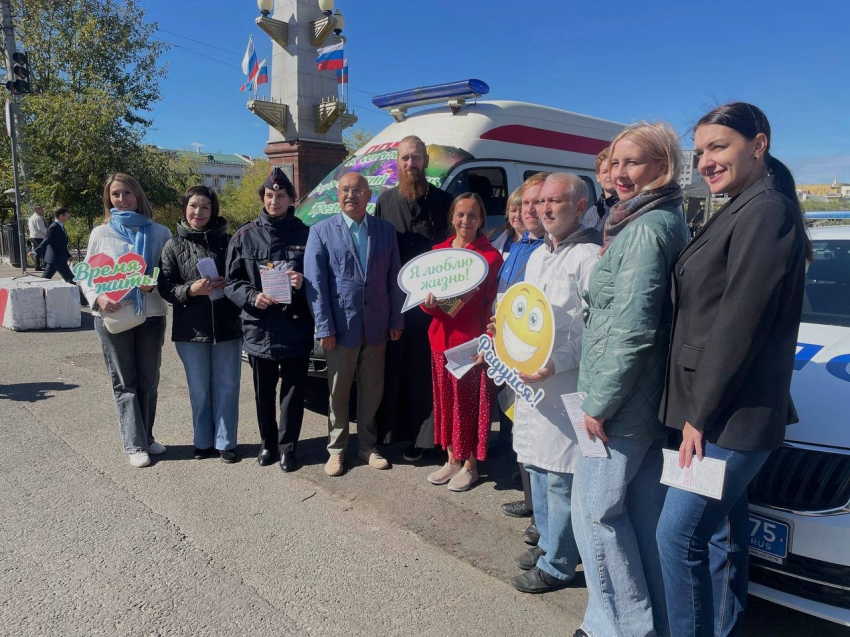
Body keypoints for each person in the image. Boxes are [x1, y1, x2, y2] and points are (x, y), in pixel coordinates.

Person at [656, 103, 810, 637]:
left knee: (677, 539)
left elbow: (738, 325)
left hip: (729, 416)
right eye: (699, 152)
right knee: (718, 535)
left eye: (718, 147)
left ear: (758, 144)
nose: (705, 162)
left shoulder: (765, 211)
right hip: (717, 410)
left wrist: (698, 416)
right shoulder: (743, 205)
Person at [572, 122, 690, 637]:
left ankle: (620, 629)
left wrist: (597, 403)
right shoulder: (647, 220)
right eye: (615, 162)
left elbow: (633, 328)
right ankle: (642, 624)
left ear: (661, 167)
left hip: (620, 403)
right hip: (636, 401)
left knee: (597, 518)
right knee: (640, 521)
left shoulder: (644, 229)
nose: (619, 173)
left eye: (633, 162)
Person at [506, 173, 602, 594]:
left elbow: (594, 329)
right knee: (538, 468)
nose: (543, 209)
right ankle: (549, 543)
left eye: (554, 202)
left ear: (579, 206)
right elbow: (529, 317)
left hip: (565, 385)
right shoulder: (538, 255)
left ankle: (560, 564)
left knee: (562, 475)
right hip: (533, 385)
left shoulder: (589, 257)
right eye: (540, 202)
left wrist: (557, 361)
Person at [305, 172, 405, 477]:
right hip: (340, 327)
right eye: (346, 190)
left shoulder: (385, 231)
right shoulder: (321, 231)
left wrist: (396, 318)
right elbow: (315, 283)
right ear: (338, 195)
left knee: (373, 390)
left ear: (368, 194)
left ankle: (367, 446)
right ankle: (336, 450)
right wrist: (324, 327)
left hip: (377, 326)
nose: (352, 195)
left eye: (358, 190)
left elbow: (395, 278)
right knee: (338, 392)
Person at [79, 174, 172, 468]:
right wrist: (97, 298)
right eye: (116, 195)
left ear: (138, 195)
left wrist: (153, 284)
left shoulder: (159, 232)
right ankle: (134, 443)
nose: (122, 199)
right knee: (125, 381)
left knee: (149, 380)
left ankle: (147, 436)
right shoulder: (100, 233)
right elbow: (87, 275)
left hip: (151, 314)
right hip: (113, 315)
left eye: (127, 193)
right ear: (109, 199)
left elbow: (168, 271)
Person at [225, 167, 313, 473]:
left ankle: (289, 448)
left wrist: (303, 282)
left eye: (281, 196)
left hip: (295, 326)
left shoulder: (306, 234)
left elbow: (320, 280)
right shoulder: (244, 236)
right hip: (259, 327)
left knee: (293, 393)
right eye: (269, 195)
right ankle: (268, 443)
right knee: (264, 392)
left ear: (292, 199)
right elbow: (231, 282)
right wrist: (251, 296)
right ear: (263, 197)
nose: (274, 201)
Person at [374, 135, 454, 461]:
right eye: (405, 158)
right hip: (397, 305)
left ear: (425, 162)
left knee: (427, 374)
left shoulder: (445, 201)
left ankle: (427, 440)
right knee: (397, 372)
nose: (411, 164)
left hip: (434, 306)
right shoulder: (384, 202)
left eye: (416, 157)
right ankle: (397, 435)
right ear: (397, 163)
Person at [421, 193, 502, 492]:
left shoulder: (491, 257)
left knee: (469, 406)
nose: (465, 221)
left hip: (470, 344)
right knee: (447, 403)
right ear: (452, 218)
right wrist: (429, 304)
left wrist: (489, 341)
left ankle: (471, 465)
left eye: (472, 215)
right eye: (460, 215)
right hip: (441, 341)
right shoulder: (437, 254)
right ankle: (452, 458)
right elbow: (425, 302)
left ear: (481, 220)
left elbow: (495, 306)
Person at [159, 186, 243, 463]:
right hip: (190, 330)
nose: (198, 212)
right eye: (193, 206)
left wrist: (228, 284)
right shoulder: (173, 245)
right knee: (199, 389)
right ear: (185, 208)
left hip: (227, 327)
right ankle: (203, 442)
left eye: (205, 207)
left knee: (228, 386)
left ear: (213, 210)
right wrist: (192, 291)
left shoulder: (230, 242)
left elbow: (244, 279)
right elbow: (166, 287)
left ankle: (226, 442)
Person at [497, 173, 548, 536]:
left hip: (532, 352)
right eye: (519, 205)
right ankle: (531, 501)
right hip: (508, 345)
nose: (525, 212)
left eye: (532, 204)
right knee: (519, 427)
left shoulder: (544, 248)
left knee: (536, 434)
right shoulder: (519, 245)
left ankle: (541, 518)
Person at [579, 146, 619, 232]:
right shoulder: (590, 213)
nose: (609, 176)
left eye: (612, 171)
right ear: (598, 177)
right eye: (605, 172)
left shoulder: (628, 208)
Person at [35, 207, 74, 283]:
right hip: (58, 259)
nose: (67, 216)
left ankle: (38, 292)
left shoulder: (60, 226)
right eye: (66, 215)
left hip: (55, 259)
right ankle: (79, 294)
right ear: (61, 216)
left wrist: (68, 255)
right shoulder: (54, 227)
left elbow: (60, 244)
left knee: (44, 279)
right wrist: (36, 251)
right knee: (70, 279)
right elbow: (47, 240)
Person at [488, 187, 525, 257]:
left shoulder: (538, 243)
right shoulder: (501, 242)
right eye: (513, 211)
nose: (517, 215)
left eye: (522, 210)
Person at [28, 205, 47, 270]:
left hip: (33, 236)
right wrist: (48, 233)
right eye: (41, 209)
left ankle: (37, 266)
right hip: (39, 237)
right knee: (44, 251)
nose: (42, 211)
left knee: (37, 251)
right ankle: (45, 265)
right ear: (37, 210)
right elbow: (41, 228)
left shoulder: (31, 217)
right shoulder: (38, 218)